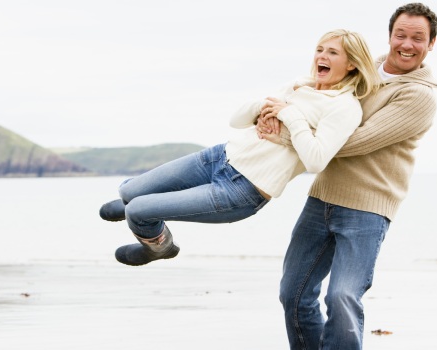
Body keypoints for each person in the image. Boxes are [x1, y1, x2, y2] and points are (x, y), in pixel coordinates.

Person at [98, 29, 380, 267]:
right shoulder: (299, 85)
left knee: (138, 211)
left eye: (332, 52)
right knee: (128, 192)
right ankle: (135, 207)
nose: (321, 56)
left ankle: (158, 247)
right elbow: (236, 121)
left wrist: (290, 116)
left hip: (240, 190)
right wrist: (263, 107)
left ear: (352, 63)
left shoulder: (344, 108)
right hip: (218, 157)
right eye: (320, 49)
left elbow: (317, 159)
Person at [255, 3, 437, 349]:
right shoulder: (360, 71)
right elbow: (315, 98)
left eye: (418, 38)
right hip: (322, 197)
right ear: (389, 36)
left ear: (431, 45)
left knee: (342, 297)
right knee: (292, 293)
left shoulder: (419, 96)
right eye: (401, 34)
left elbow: (353, 141)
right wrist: (272, 114)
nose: (407, 43)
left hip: (367, 210)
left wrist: (285, 129)